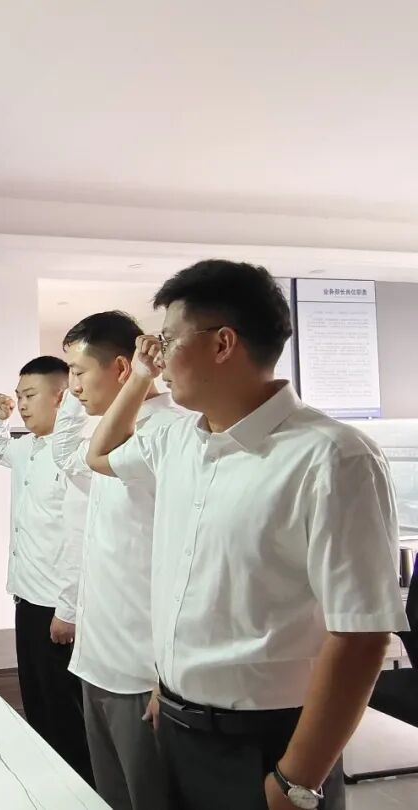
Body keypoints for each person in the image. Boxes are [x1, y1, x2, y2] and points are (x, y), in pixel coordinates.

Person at [85, 260, 407, 810]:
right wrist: (172, 684)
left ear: (223, 343)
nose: (158, 358)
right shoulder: (178, 442)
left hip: (269, 744)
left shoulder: (331, 457)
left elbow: (361, 635)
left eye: (168, 340)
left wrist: (295, 782)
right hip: (175, 724)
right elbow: (99, 456)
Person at [49, 312, 179, 810]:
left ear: (123, 368)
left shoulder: (171, 433)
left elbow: (186, 564)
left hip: (143, 671)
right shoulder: (109, 434)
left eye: (79, 372)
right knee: (114, 795)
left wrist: (165, 677)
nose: (74, 387)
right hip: (99, 661)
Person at [0, 355, 94, 784]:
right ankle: (48, 782)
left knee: (64, 708)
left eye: (30, 395)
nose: (23, 405)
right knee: (35, 698)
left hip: (57, 608)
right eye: (19, 396)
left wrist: (68, 608)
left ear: (61, 398)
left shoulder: (77, 457)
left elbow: (79, 538)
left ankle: (79, 786)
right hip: (26, 597)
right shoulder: (26, 447)